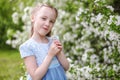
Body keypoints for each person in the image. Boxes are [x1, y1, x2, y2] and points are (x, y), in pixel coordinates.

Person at [19, 3, 69, 80]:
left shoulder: (54, 41)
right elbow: (36, 76)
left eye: (51, 21)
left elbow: (66, 67)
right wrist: (50, 55)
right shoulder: (27, 46)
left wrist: (59, 53)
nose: (47, 24)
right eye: (43, 18)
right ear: (33, 18)